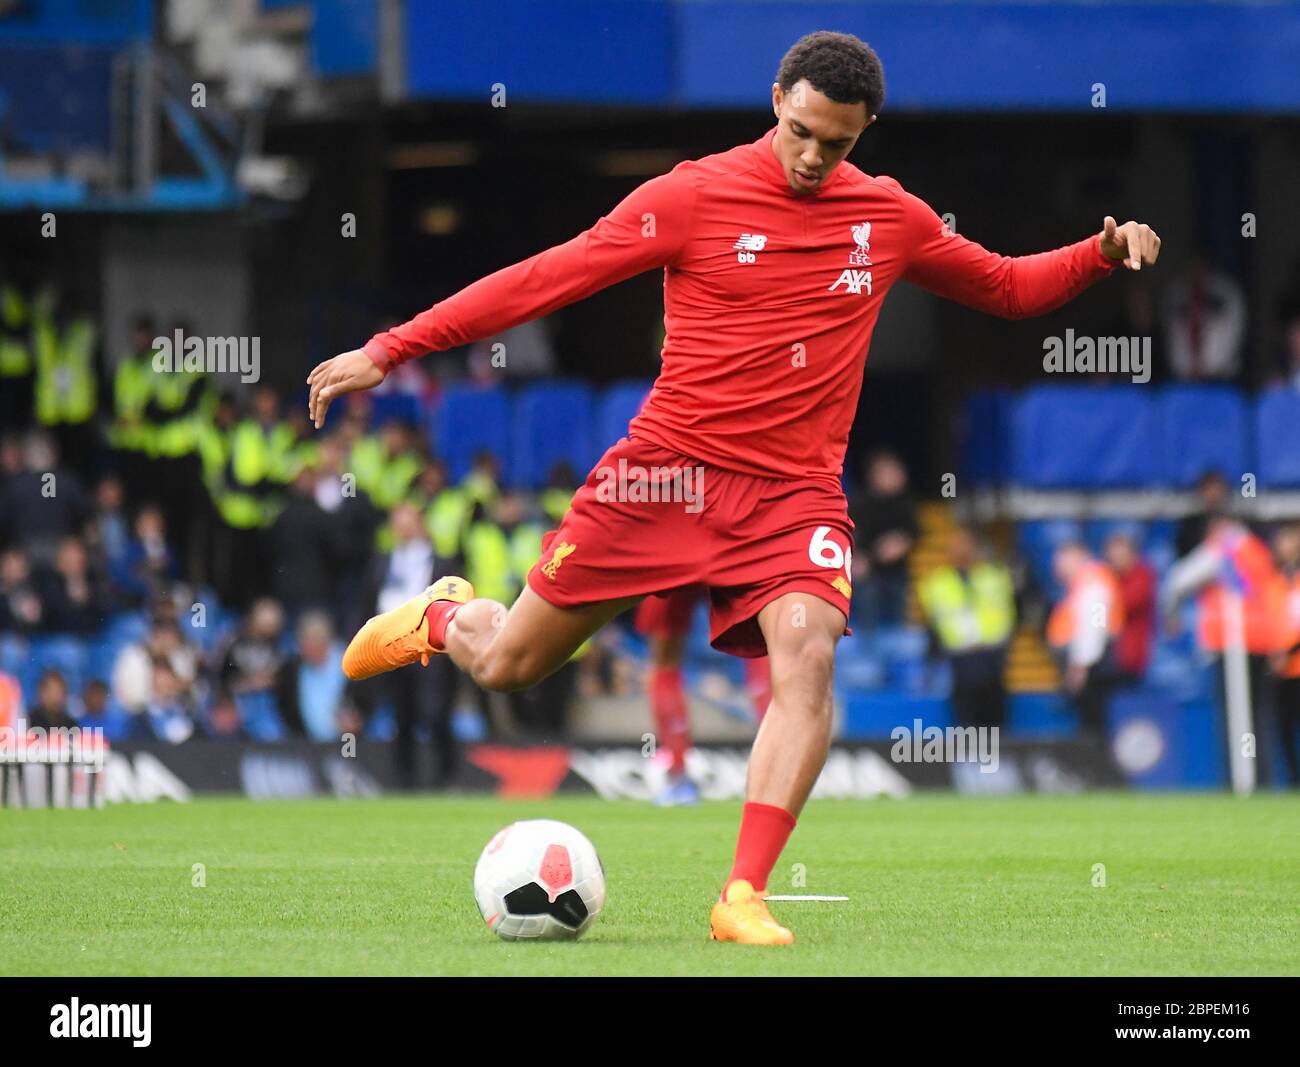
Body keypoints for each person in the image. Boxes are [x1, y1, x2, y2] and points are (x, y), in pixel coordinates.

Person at [308, 31, 1160, 944]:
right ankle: (443, 620)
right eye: (800, 131)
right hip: (662, 476)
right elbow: (543, 279)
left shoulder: (889, 218)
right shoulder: (692, 195)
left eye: (837, 143)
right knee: (513, 660)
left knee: (811, 656)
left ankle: (742, 892)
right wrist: (388, 349)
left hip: (793, 496)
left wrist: (1099, 254)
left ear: (864, 132)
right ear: (776, 99)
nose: (812, 157)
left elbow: (1005, 287)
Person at [1162, 517, 1287, 788]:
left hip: (1231, 642)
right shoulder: (1257, 550)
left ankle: (1237, 778)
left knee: (1234, 716)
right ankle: (1259, 776)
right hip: (1261, 642)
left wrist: (1171, 613)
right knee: (1256, 716)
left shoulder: (1223, 548)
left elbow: (1179, 579)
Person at [917, 527, 1015, 729]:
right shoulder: (938, 582)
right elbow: (933, 620)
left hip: (991, 655)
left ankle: (998, 756)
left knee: (995, 716)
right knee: (966, 717)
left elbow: (1008, 611)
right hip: (960, 656)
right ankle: (969, 757)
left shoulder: (994, 576)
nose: (962, 551)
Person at [1047, 543, 1122, 739]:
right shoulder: (1084, 583)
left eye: (1062, 559)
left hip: (1094, 667)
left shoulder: (1094, 584)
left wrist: (1081, 665)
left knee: (1092, 725)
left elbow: (1095, 627)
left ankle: (1095, 767)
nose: (1058, 567)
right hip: (1091, 664)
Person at [850, 448, 918, 627]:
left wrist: (902, 542)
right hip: (867, 573)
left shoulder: (906, 504)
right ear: (874, 476)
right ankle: (867, 645)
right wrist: (856, 558)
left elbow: (915, 533)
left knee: (898, 611)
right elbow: (851, 534)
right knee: (866, 601)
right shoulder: (859, 503)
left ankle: (897, 643)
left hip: (896, 572)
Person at [1103, 530, 1157, 688]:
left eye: (1120, 555)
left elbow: (1127, 604)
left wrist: (1105, 594)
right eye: (1112, 556)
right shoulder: (1105, 580)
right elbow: (1097, 618)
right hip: (1106, 657)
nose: (1115, 561)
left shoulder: (1143, 576)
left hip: (1130, 656)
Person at [1270, 523, 1300, 787]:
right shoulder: (1274, 583)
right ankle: (1293, 783)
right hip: (1281, 671)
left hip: (1296, 662)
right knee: (1284, 730)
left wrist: (1289, 651)